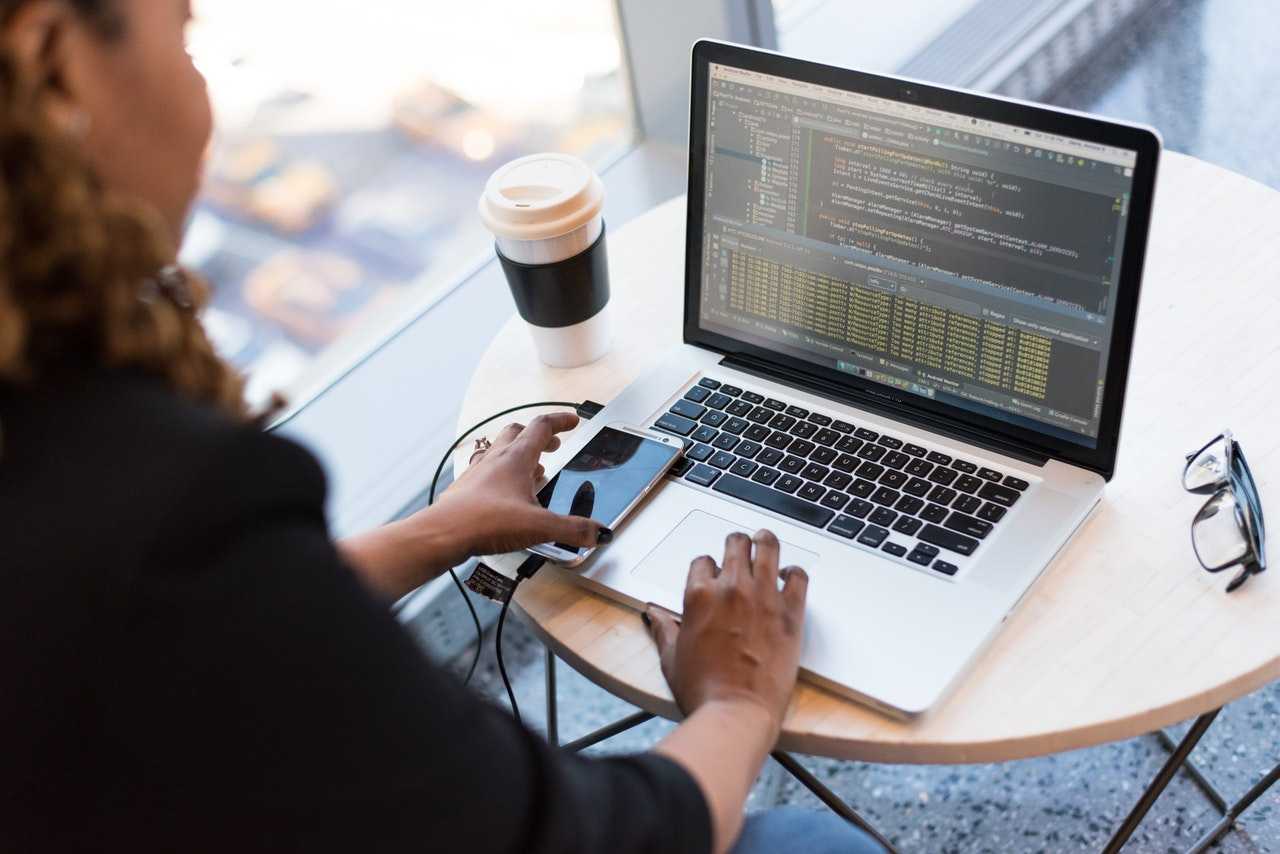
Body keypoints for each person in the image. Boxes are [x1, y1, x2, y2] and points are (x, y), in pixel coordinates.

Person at [0, 2, 883, 852]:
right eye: (183, 32)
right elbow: (586, 837)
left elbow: (179, 626)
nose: (201, 91)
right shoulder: (166, 501)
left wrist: (437, 531)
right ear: (56, 68)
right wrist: (736, 702)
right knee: (815, 844)